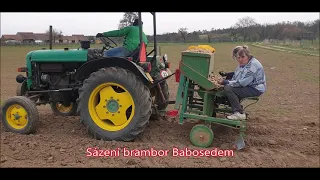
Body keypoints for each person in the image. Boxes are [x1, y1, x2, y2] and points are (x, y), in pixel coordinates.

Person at [219, 46, 267, 120]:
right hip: (250, 86)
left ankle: (239, 113)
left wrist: (226, 82)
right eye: (238, 57)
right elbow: (237, 76)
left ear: (248, 56)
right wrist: (227, 79)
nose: (240, 59)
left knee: (229, 88)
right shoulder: (246, 63)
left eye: (243, 57)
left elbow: (242, 83)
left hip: (255, 88)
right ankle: (238, 109)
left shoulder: (252, 66)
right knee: (229, 86)